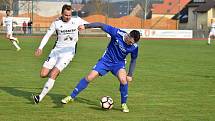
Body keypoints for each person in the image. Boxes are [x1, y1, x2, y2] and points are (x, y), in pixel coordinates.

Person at [61, 22, 140, 113]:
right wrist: (85, 26)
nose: (130, 44)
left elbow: (134, 60)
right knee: (89, 77)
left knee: (123, 80)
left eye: (132, 43)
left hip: (118, 64)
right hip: (105, 61)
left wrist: (130, 74)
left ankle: (123, 104)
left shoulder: (134, 47)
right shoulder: (117, 33)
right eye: (130, 42)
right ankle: (71, 97)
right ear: (129, 35)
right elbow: (101, 25)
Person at [32, 4, 88, 104]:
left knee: (53, 74)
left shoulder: (77, 20)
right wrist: (40, 48)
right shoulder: (56, 23)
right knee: (43, 74)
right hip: (56, 51)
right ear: (62, 14)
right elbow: (47, 35)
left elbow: (92, 24)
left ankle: (39, 97)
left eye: (69, 15)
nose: (68, 17)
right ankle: (55, 73)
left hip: (68, 53)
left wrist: (85, 26)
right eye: (66, 15)